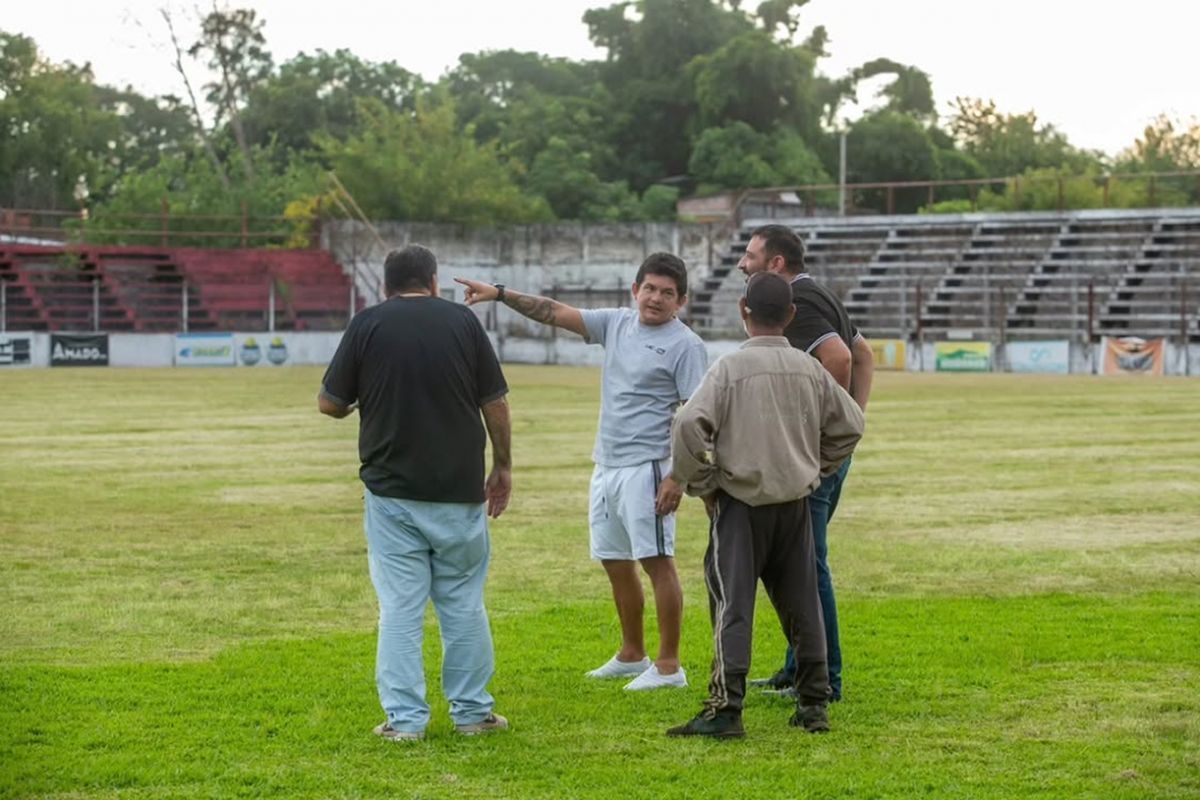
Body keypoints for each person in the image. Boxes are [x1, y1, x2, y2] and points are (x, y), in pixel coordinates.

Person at [455, 253, 707, 691]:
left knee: (657, 561)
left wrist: (677, 477)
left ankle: (669, 666)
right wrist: (498, 293)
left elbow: (696, 417)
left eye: (667, 293)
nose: (656, 298)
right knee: (615, 560)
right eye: (649, 288)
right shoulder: (616, 323)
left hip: (648, 467)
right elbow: (553, 312)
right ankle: (632, 654)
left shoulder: (686, 345)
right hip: (606, 464)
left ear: (681, 301)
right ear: (635, 290)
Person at [319, 244, 512, 741]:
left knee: (400, 609)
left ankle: (405, 721)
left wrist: (354, 404)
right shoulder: (464, 323)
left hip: (391, 492)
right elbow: (494, 401)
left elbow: (329, 402)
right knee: (463, 604)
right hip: (459, 488)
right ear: (433, 281)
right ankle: (472, 713)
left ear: (385, 286)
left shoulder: (367, 324)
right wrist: (502, 465)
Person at [666, 272, 864, 739]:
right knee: (803, 604)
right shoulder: (808, 368)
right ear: (791, 315)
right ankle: (814, 703)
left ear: (743, 311)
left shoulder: (729, 369)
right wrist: (818, 466)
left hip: (741, 505)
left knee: (732, 605)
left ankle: (726, 708)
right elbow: (851, 424)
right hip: (795, 503)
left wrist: (705, 483)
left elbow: (688, 425)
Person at [737, 224, 874, 703]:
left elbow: (840, 358)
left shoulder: (800, 300)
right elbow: (864, 353)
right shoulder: (821, 293)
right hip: (832, 453)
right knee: (799, 562)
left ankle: (824, 680)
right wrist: (851, 419)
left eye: (750, 255)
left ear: (776, 263)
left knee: (808, 567)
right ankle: (797, 667)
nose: (742, 264)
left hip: (814, 458)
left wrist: (818, 432)